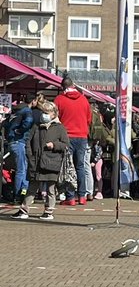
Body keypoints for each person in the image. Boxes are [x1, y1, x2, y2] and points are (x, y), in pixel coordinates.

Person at [17, 99, 69, 221]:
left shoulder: (60, 128)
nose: (44, 115)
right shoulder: (36, 126)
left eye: (47, 112)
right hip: (36, 162)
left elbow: (66, 144)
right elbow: (28, 142)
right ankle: (24, 210)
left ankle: (48, 211)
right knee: (32, 188)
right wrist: (30, 156)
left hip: (52, 163)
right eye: (43, 112)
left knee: (51, 189)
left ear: (54, 113)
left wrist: (54, 145)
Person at [54, 77, 93, 206]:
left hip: (66, 137)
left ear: (62, 87)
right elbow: (89, 119)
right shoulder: (84, 99)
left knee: (67, 167)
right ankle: (82, 196)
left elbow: (54, 118)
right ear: (73, 85)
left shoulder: (59, 100)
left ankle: (70, 197)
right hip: (82, 136)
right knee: (80, 166)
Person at [5, 95, 42, 211]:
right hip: (19, 141)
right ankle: (19, 193)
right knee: (22, 169)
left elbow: (5, 123)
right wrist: (21, 131)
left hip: (11, 141)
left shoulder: (16, 110)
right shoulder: (27, 111)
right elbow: (29, 121)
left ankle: (21, 191)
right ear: (33, 101)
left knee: (21, 167)